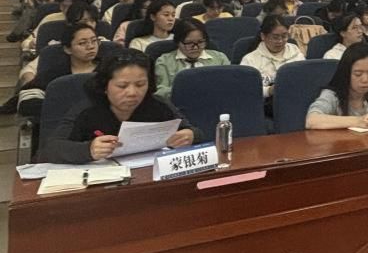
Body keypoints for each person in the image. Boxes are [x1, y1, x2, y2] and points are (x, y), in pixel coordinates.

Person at [39, 49, 198, 164]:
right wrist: (88, 150)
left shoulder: (158, 105)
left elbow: (194, 132)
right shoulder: (87, 110)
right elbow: (50, 150)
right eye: (122, 86)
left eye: (140, 84)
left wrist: (190, 135)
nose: (132, 93)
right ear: (105, 86)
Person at [155, 20, 230, 98]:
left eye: (200, 42)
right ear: (178, 42)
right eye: (189, 43)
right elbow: (161, 92)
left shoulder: (220, 58)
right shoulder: (164, 61)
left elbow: (229, 85)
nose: (195, 48)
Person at [240, 14, 305, 100]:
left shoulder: (296, 53)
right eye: (275, 37)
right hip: (263, 103)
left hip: (295, 99)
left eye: (284, 36)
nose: (280, 41)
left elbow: (305, 80)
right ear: (263, 36)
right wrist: (269, 91)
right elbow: (246, 89)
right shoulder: (250, 59)